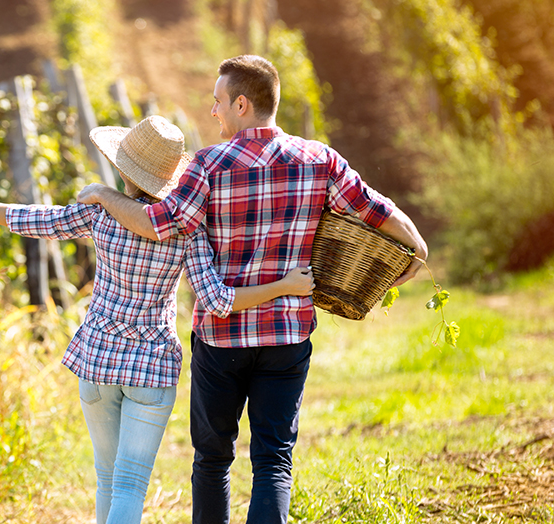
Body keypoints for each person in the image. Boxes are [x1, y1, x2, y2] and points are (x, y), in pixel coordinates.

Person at [77, 55, 429, 524]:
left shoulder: (207, 165)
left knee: (211, 461)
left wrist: (103, 194)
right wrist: (417, 246)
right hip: (286, 336)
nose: (214, 112)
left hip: (221, 338)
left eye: (218, 102)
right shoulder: (319, 159)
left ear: (242, 104)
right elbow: (373, 208)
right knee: (273, 462)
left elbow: (155, 223)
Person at [0, 115, 315, 524]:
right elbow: (216, 299)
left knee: (107, 479)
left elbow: (28, 219)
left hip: (97, 359)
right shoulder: (186, 230)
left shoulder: (99, 214)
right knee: (129, 485)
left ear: (122, 168)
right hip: (151, 365)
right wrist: (284, 285)